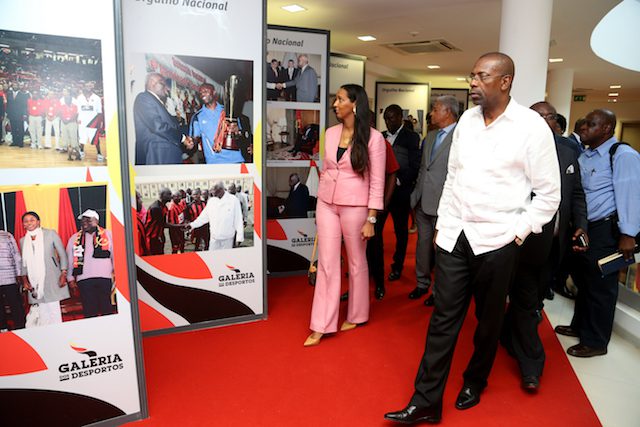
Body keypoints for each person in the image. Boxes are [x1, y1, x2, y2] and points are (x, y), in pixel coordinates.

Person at [384, 52, 560, 424]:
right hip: (455, 237)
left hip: (498, 241)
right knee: (443, 319)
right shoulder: (466, 119)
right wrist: (444, 226)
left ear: (505, 81)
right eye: (472, 76)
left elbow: (549, 195)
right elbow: (453, 178)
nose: (473, 83)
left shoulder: (531, 126)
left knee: (488, 320)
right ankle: (425, 401)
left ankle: (475, 381)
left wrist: (518, 232)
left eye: (481, 76)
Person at [500, 101, 588, 391]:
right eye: (537, 116)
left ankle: (521, 350)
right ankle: (527, 359)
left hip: (549, 243)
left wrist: (581, 225)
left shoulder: (567, 151)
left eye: (548, 116)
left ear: (555, 121)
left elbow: (576, 194)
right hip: (512, 238)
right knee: (515, 300)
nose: (543, 120)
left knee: (530, 300)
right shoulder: (513, 146)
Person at [304, 84, 385, 347]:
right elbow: (327, 168)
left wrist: (371, 219)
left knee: (356, 261)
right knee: (327, 262)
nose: (335, 104)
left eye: (340, 100)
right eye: (335, 100)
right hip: (327, 203)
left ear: (355, 104)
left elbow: (377, 182)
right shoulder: (329, 133)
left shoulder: (374, 139)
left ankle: (358, 314)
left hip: (356, 206)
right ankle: (321, 324)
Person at [555, 109, 640, 358]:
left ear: (606, 129)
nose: (583, 127)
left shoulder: (623, 155)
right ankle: (580, 326)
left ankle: (595, 341)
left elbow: (631, 197)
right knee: (583, 280)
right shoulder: (587, 155)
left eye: (591, 124)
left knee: (601, 287)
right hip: (585, 228)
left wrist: (628, 234)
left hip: (607, 230)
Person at [409, 95, 459, 306]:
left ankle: (439, 292)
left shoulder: (462, 136)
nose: (431, 113)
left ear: (448, 112)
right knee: (422, 246)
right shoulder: (429, 136)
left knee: (442, 251)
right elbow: (423, 168)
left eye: (435, 109)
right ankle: (422, 283)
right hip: (422, 202)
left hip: (445, 205)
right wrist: (415, 196)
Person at [382, 104, 421, 283]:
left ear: (399, 117)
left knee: (400, 232)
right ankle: (374, 265)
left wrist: (397, 181)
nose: (388, 122)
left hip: (400, 192)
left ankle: (397, 266)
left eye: (391, 118)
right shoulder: (380, 136)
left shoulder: (411, 138)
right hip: (380, 193)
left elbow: (414, 166)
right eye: (386, 119)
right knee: (374, 230)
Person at [365, 128, 400, 300]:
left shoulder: (381, 143)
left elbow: (393, 172)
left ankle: (379, 284)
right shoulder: (349, 140)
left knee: (375, 244)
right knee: (357, 247)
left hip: (374, 205)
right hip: (354, 204)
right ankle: (360, 285)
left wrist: (383, 203)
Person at [20, 211, 70, 326]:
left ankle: (58, 335)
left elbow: (62, 254)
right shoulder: (23, 241)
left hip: (52, 276)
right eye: (26, 221)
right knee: (42, 312)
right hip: (34, 280)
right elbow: (24, 263)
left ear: (38, 222)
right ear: (24, 225)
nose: (29, 223)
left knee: (54, 310)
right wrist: (24, 279)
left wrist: (63, 273)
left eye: (32, 220)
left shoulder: (50, 234)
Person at [134, 73, 194, 165]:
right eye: (163, 84)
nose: (168, 88)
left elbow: (173, 126)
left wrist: (188, 135)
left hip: (165, 156)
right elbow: (158, 126)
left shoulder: (157, 102)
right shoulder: (144, 98)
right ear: (152, 82)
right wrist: (183, 138)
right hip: (157, 157)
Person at [66, 210, 115, 318]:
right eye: (83, 220)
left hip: (104, 277)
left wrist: (118, 274)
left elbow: (115, 256)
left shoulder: (108, 234)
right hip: (84, 279)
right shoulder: (74, 238)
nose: (84, 222)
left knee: (106, 308)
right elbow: (70, 259)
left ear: (96, 221)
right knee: (89, 310)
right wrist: (70, 279)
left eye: (88, 220)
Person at [189, 83, 245, 164]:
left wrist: (237, 131)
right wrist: (190, 143)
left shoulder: (228, 111)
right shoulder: (197, 117)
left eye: (205, 91)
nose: (202, 94)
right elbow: (194, 139)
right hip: (215, 162)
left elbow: (241, 135)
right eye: (200, 93)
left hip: (236, 160)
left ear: (214, 92)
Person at [188, 182, 244, 250]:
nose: (213, 195)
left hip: (227, 239)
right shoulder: (211, 201)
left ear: (220, 190)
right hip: (214, 239)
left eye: (214, 192)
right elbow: (203, 217)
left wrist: (239, 237)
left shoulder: (233, 200)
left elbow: (238, 220)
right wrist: (191, 225)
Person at [0, 230, 25, 330]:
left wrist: (19, 273)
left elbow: (16, 255)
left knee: (15, 304)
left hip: (9, 277)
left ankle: (21, 328)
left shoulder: (6, 235)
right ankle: (2, 328)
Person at [76, 82, 103, 161]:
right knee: (82, 139)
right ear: (84, 87)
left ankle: (99, 153)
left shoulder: (97, 98)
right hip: (82, 121)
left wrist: (100, 123)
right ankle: (81, 151)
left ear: (92, 87)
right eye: (87, 86)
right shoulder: (80, 98)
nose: (88, 87)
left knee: (95, 139)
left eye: (90, 86)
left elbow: (99, 112)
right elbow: (78, 110)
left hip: (93, 122)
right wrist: (78, 119)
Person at [145, 188, 172, 255]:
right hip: (153, 237)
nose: (171, 196)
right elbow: (163, 224)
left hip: (159, 235)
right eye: (169, 194)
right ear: (162, 195)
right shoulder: (156, 208)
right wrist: (180, 226)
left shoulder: (163, 206)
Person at [6, 81, 30, 148]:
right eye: (14, 85)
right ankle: (14, 142)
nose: (15, 86)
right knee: (13, 129)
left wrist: (24, 114)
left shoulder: (23, 94)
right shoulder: (9, 94)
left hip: (20, 115)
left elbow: (24, 105)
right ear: (12, 86)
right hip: (12, 115)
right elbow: (8, 105)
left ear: (18, 86)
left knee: (20, 128)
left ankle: (20, 142)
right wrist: (8, 113)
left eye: (16, 85)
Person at [59, 88, 80, 160]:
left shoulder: (75, 101)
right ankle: (69, 155)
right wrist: (63, 119)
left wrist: (70, 120)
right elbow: (59, 111)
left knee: (73, 138)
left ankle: (77, 154)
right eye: (63, 91)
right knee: (65, 139)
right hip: (64, 122)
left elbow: (77, 113)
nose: (63, 92)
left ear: (69, 93)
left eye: (65, 91)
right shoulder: (61, 100)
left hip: (72, 122)